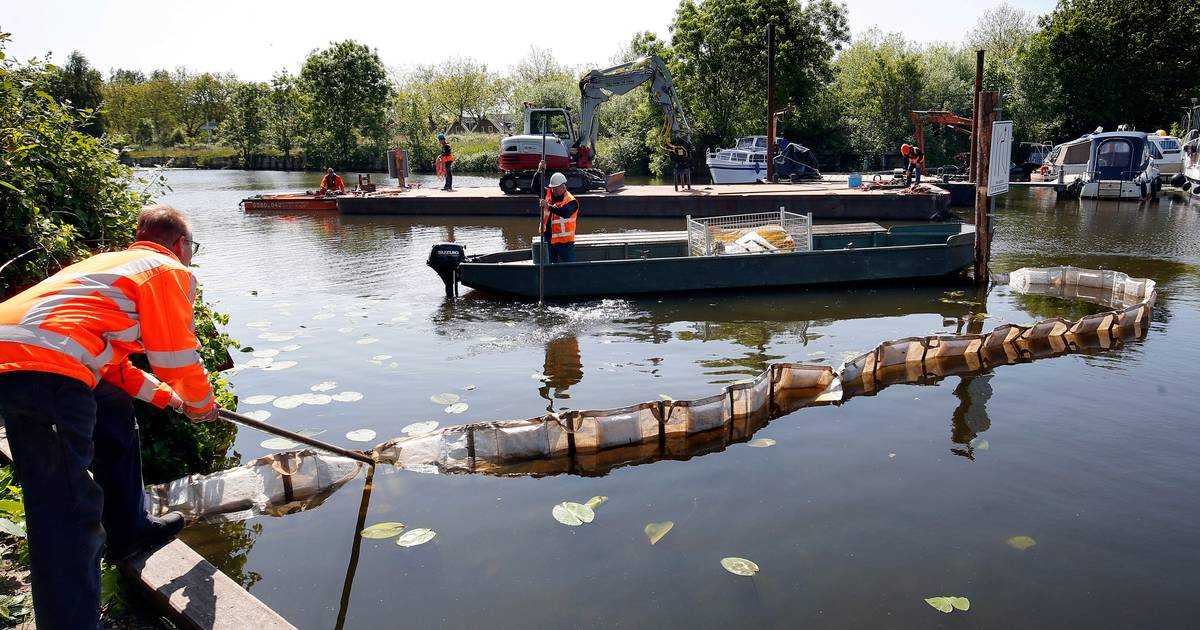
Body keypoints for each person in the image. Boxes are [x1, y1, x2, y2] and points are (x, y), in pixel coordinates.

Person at [0, 205, 220, 629]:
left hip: (31, 351)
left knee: (113, 409)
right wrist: (199, 403)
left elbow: (110, 366)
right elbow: (174, 356)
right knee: (65, 507)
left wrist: (169, 400)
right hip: (41, 366)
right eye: (192, 246)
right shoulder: (166, 270)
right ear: (181, 244)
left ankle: (129, 529)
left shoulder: (113, 265)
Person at [539, 172, 579, 264]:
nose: (553, 191)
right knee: (549, 267)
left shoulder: (571, 201)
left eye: (555, 189)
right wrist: (539, 171)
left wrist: (548, 206)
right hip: (549, 239)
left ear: (563, 187)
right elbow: (535, 186)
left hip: (565, 243)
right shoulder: (549, 194)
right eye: (552, 188)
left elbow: (565, 212)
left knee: (570, 267)